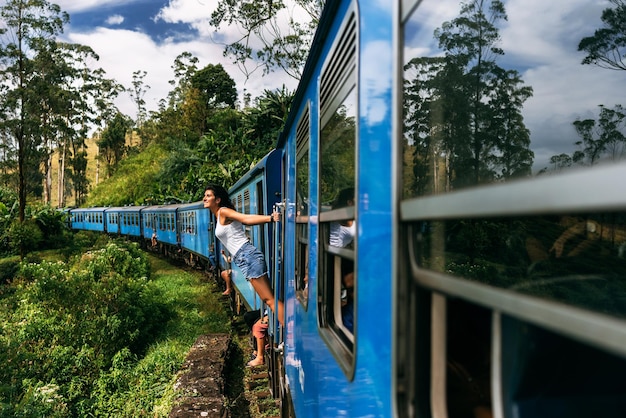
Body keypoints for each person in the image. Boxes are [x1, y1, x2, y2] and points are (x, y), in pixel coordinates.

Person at [203, 183, 284, 326]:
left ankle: (290, 336)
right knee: (269, 299)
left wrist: (270, 218)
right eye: (205, 196)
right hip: (245, 258)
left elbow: (245, 219)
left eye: (208, 196)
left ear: (218, 200)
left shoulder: (223, 211)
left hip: (248, 256)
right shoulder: (218, 215)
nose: (204, 198)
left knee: (270, 300)